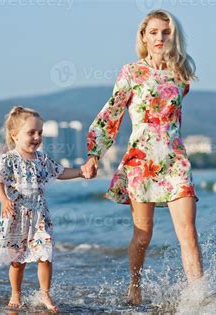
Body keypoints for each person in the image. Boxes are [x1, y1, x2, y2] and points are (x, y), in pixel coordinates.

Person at [81, 9, 203, 305]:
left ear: (174, 35)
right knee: (143, 235)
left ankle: (200, 299)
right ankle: (134, 286)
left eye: (166, 32)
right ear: (143, 37)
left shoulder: (182, 72)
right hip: (141, 160)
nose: (160, 37)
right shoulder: (131, 72)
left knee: (188, 232)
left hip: (175, 160)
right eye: (154, 32)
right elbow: (113, 112)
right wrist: (94, 153)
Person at [0, 106, 84, 311]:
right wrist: (4, 201)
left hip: (40, 216)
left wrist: (81, 172)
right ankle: (16, 293)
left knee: (45, 254)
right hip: (17, 215)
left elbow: (60, 172)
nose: (36, 137)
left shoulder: (42, 158)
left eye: (40, 133)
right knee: (18, 260)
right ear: (15, 136)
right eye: (31, 133)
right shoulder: (9, 159)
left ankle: (45, 294)